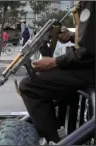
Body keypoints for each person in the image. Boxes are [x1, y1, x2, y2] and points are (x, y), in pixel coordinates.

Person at [18, 1, 95, 143]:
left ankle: (54, 140)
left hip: (90, 67)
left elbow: (87, 53)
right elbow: (91, 38)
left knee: (30, 86)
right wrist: (71, 36)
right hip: (89, 65)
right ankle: (63, 131)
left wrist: (53, 62)